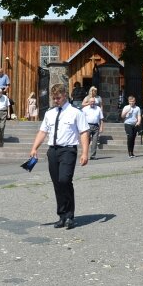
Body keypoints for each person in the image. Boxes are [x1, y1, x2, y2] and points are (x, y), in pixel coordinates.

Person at [29, 83, 89, 230]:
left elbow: (84, 132)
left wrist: (85, 152)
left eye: (58, 98)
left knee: (65, 180)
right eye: (54, 98)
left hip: (68, 150)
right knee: (57, 183)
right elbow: (43, 132)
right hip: (53, 151)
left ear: (65, 95)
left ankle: (70, 216)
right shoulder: (50, 113)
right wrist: (34, 147)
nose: (56, 100)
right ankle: (62, 216)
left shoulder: (76, 112)